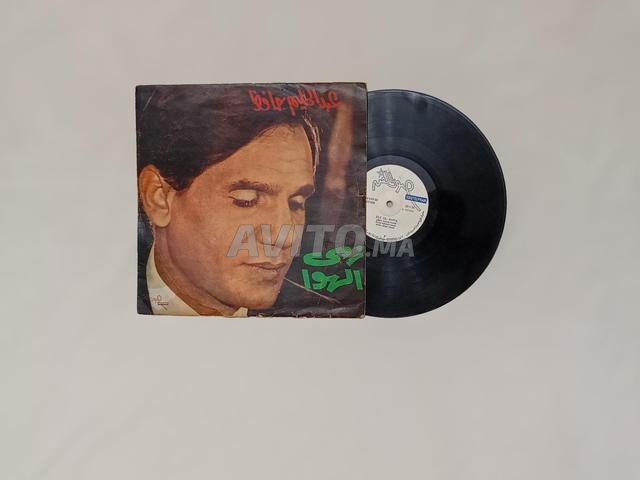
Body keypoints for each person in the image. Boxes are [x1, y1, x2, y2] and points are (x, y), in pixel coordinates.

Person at [136, 85, 320, 316]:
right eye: (247, 200)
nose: (285, 236)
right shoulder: (109, 294)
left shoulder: (323, 315)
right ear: (159, 197)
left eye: (296, 203)